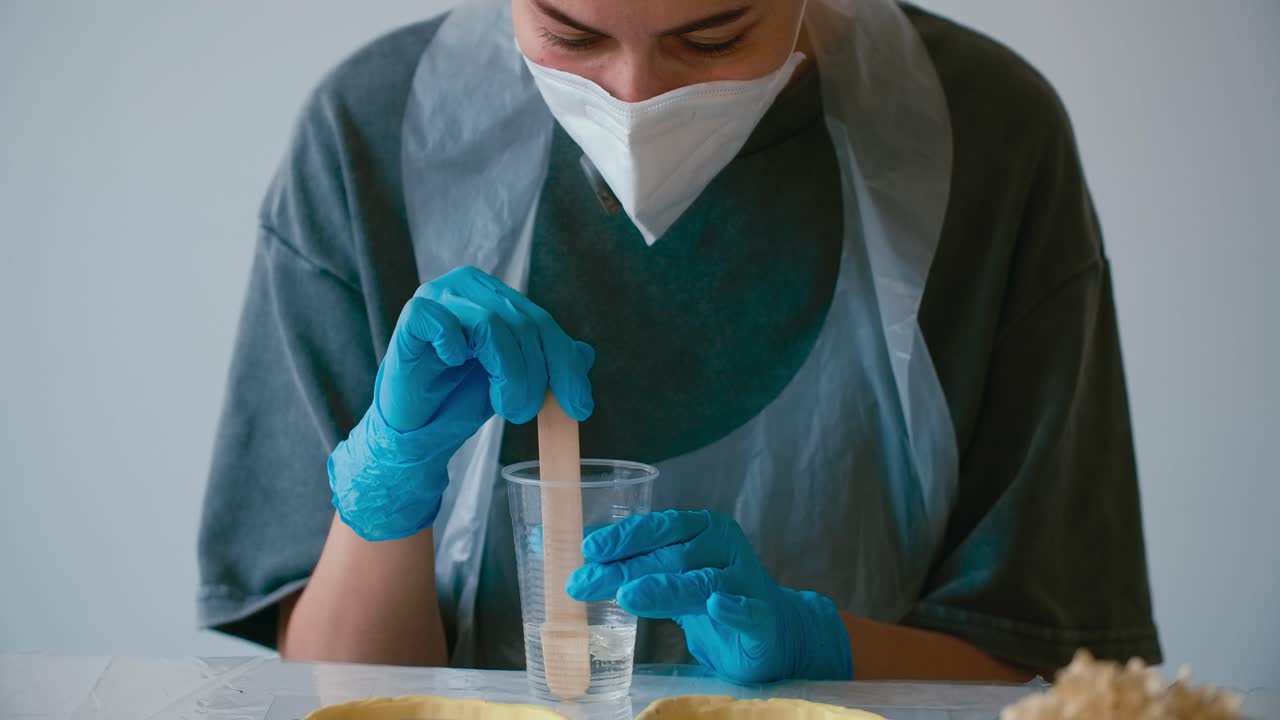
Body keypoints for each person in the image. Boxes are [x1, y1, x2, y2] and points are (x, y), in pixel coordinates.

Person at [198, 0, 1162, 682]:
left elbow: (1056, 675)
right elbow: (338, 694)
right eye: (569, 33)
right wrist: (388, 484)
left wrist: (824, 651)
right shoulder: (366, 138)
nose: (634, 101)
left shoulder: (988, 144)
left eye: (712, 36)